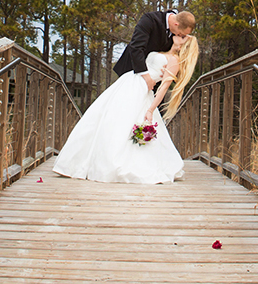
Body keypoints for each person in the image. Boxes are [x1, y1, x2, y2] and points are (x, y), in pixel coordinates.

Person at [52, 28, 200, 184]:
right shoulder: (163, 51)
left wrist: (150, 110)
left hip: (141, 91)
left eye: (184, 38)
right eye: (182, 34)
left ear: (185, 47)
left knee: (123, 123)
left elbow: (163, 88)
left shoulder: (174, 61)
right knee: (106, 118)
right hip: (128, 82)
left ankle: (112, 164)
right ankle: (85, 161)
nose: (179, 36)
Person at [113, 10, 196, 93]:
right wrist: (145, 76)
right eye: (181, 34)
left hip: (155, 83)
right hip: (132, 72)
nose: (181, 36)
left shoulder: (178, 33)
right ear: (176, 24)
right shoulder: (149, 20)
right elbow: (136, 48)